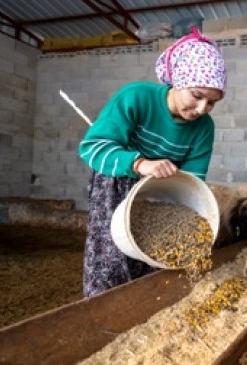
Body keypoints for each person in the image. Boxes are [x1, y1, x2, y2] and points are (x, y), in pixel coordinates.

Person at [78, 25, 227, 297]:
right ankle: (101, 310)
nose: (202, 109)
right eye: (196, 95)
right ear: (178, 81)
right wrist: (139, 163)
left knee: (155, 257)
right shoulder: (137, 97)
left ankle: (144, 309)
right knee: (111, 256)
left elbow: (192, 184)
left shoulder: (204, 128)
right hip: (116, 183)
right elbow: (92, 148)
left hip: (161, 194)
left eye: (212, 102)